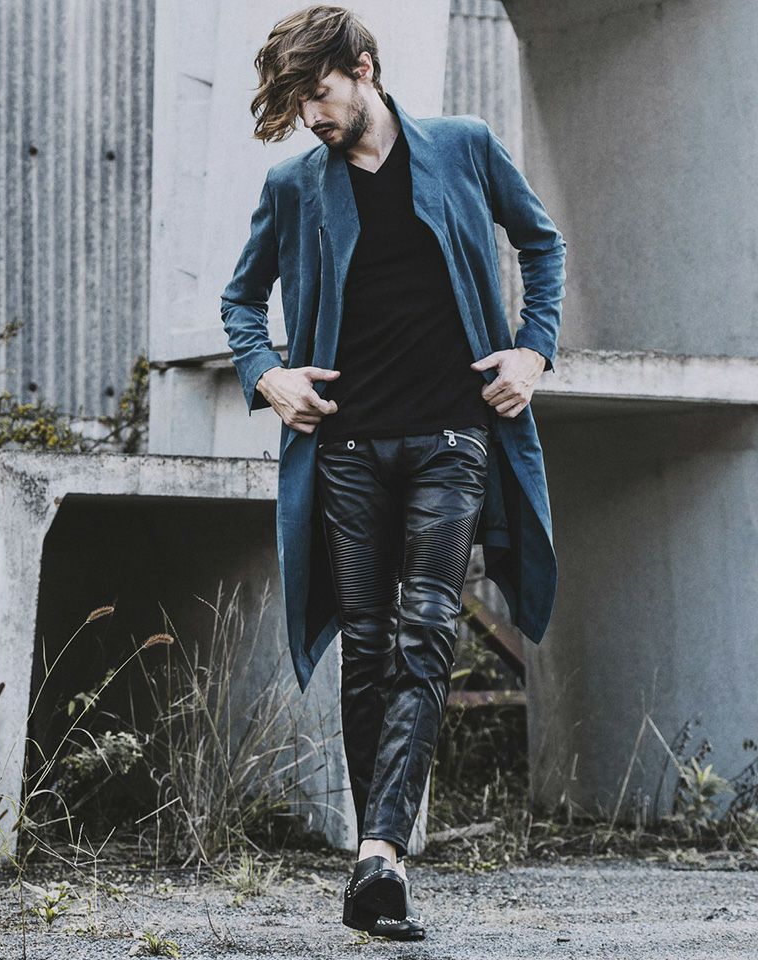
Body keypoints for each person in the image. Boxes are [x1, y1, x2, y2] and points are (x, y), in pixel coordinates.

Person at [221, 4, 566, 941]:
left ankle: (379, 852)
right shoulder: (295, 186)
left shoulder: (463, 146)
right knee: (367, 646)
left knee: (427, 629)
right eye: (297, 102)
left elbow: (542, 242)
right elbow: (241, 300)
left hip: (453, 437)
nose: (312, 115)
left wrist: (532, 349)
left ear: (364, 68)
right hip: (346, 449)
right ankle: (381, 864)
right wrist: (268, 376)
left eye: (319, 91)